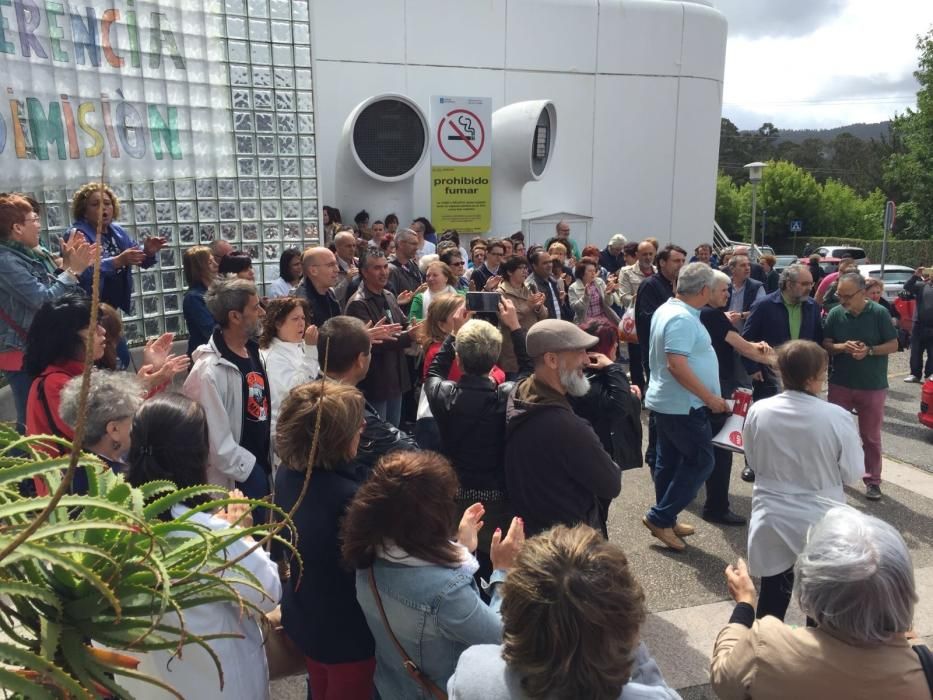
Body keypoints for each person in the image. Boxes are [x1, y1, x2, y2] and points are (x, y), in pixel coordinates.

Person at [124, 393, 281, 700]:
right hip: (219, 686)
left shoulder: (111, 525)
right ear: (197, 457)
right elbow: (268, 593)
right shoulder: (211, 535)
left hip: (148, 688)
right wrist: (243, 536)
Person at [342, 451, 525, 699]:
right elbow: (502, 637)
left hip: (390, 687)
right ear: (431, 519)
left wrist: (460, 548)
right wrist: (503, 571)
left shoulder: (367, 554)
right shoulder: (447, 593)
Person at [711, 507, 928, 700]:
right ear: (904, 590)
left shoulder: (767, 646)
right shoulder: (923, 672)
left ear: (810, 586)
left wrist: (745, 604)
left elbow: (723, 678)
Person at [448, 524, 679, 700]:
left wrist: (501, 577)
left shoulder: (472, 672)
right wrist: (626, 631)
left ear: (515, 615)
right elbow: (657, 688)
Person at [741, 340, 863, 621]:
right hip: (820, 514)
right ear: (812, 378)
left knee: (772, 594)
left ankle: (766, 652)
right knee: (819, 598)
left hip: (771, 511)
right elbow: (853, 472)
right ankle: (811, 656)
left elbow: (753, 460)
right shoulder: (836, 417)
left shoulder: (760, 410)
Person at [273, 381, 375, 699]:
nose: (364, 425)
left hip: (306, 619)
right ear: (338, 439)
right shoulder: (352, 500)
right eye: (355, 422)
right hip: (347, 636)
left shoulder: (288, 476)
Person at [425, 300, 529, 576]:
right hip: (497, 494)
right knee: (498, 561)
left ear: (458, 359)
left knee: (460, 562)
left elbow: (434, 372)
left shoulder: (444, 395)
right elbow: (530, 372)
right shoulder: (507, 395)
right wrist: (515, 327)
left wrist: (453, 335)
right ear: (495, 359)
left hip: (455, 494)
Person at [505, 320, 622, 536]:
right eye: (579, 352)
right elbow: (611, 483)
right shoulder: (567, 427)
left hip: (537, 532)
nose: (587, 360)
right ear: (551, 359)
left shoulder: (519, 391)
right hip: (567, 545)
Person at [642, 263, 728, 552]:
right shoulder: (681, 317)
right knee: (702, 461)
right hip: (683, 405)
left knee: (670, 461)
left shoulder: (672, 310)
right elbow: (677, 365)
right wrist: (710, 398)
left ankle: (666, 516)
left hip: (672, 402)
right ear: (704, 290)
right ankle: (661, 517)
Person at [0, 194, 94, 431]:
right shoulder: (6, 261)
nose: (39, 224)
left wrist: (66, 263)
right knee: (30, 422)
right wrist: (72, 272)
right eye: (34, 219)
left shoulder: (31, 253)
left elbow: (54, 291)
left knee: (49, 415)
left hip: (38, 346)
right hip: (20, 352)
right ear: (17, 228)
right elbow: (43, 300)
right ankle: (30, 465)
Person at [183, 279, 272, 507]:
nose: (262, 312)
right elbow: (215, 443)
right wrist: (251, 471)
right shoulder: (208, 372)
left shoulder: (254, 352)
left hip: (259, 467)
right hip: (237, 482)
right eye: (255, 307)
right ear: (234, 316)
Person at [699, 270, 772, 526]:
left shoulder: (693, 312)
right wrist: (778, 358)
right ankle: (716, 507)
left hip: (704, 385)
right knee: (722, 448)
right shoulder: (712, 315)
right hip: (719, 386)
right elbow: (743, 347)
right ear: (706, 290)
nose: (728, 294)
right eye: (723, 290)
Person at [741, 264, 823, 481]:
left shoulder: (812, 307)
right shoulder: (765, 305)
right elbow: (747, 339)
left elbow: (817, 340)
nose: (810, 288)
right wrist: (752, 367)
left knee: (797, 421)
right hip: (769, 374)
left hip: (802, 375)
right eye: (804, 284)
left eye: (811, 284)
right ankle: (753, 463)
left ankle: (788, 463)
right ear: (788, 284)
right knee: (764, 421)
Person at [822, 272, 898, 501]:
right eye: (839, 295)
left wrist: (870, 351)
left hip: (872, 385)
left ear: (862, 292)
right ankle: (834, 475)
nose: (842, 300)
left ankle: (873, 480)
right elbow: (826, 343)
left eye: (847, 296)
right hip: (841, 383)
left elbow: (894, 344)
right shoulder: (836, 313)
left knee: (871, 436)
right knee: (835, 433)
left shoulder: (879, 313)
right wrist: (842, 346)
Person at [567, 322, 643, 538]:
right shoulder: (590, 379)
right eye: (615, 345)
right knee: (594, 514)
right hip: (595, 457)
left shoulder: (583, 374)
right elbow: (618, 408)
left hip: (593, 453)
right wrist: (614, 369)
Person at [316, 315, 418, 473]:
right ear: (360, 360)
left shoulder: (308, 395)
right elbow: (412, 452)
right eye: (369, 351)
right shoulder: (356, 417)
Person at [66, 183, 166, 314]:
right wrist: (117, 261)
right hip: (85, 308)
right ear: (84, 212)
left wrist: (147, 252)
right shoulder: (77, 234)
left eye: (107, 203)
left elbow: (135, 255)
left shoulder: (117, 230)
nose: (103, 208)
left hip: (110, 307)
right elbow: (81, 272)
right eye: (95, 204)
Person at [346, 249, 420, 427]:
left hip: (396, 379)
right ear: (364, 272)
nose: (384, 272)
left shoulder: (388, 295)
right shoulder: (358, 303)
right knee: (379, 436)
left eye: (386, 266)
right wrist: (409, 336)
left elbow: (402, 323)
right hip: (375, 383)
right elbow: (372, 342)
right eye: (377, 268)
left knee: (394, 432)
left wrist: (412, 327)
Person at [24, 293, 106, 446]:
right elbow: (103, 436)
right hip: (68, 470)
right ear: (66, 338)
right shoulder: (57, 383)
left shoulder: (77, 373)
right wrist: (144, 386)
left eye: (100, 323)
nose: (103, 331)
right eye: (92, 327)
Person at [634, 244, 687, 465]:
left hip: (676, 353)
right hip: (656, 354)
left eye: (683, 261)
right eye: (676, 261)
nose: (681, 265)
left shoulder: (678, 285)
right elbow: (646, 319)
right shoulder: (651, 285)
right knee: (659, 402)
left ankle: (669, 449)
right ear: (662, 262)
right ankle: (654, 453)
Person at [258, 297, 319, 464]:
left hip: (303, 428)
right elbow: (293, 393)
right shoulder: (272, 356)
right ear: (278, 323)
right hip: (285, 435)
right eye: (295, 319)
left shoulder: (297, 346)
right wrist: (312, 351)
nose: (301, 324)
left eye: (303, 318)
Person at [59, 370, 144, 476]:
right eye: (135, 416)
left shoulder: (67, 468)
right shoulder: (121, 481)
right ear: (114, 429)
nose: (140, 422)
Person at [414, 293, 466, 450]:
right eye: (459, 316)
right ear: (442, 325)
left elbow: (495, 370)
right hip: (435, 423)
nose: (467, 319)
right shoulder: (438, 351)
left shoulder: (454, 346)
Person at [498, 256, 548, 377]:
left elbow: (544, 316)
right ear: (509, 271)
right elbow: (505, 320)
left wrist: (539, 307)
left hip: (532, 347)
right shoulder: (501, 292)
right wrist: (528, 305)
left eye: (526, 268)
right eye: (521, 268)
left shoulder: (529, 288)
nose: (525, 271)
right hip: (512, 352)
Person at [183, 245, 220, 357]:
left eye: (214, 260)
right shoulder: (194, 298)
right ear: (198, 269)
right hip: (204, 357)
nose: (216, 265)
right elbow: (211, 332)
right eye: (210, 262)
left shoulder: (216, 290)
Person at [294, 246, 342, 326]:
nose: (337, 269)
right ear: (313, 270)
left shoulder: (329, 292)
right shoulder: (301, 303)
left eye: (336, 264)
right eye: (330, 265)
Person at [568, 257, 621, 327]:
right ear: (581, 273)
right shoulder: (573, 288)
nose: (593, 273)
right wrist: (585, 297)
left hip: (603, 319)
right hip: (585, 323)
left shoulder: (599, 282)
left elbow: (609, 303)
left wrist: (608, 294)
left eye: (594, 270)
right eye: (590, 271)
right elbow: (576, 308)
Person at [904, 266, 933, 382]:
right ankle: (915, 374)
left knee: (932, 353)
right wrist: (916, 275)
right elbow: (907, 287)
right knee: (916, 351)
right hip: (919, 324)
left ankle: (930, 374)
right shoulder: (922, 285)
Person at [386, 228, 425, 314]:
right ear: (400, 244)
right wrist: (415, 295)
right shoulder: (389, 269)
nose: (417, 248)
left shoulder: (412, 264)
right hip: (402, 321)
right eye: (413, 244)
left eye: (417, 244)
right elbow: (389, 302)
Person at [726, 254, 765, 332]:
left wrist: (741, 315)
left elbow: (762, 311)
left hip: (747, 334)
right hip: (724, 333)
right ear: (732, 269)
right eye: (743, 265)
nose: (747, 268)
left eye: (748, 265)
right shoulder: (724, 285)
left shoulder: (757, 287)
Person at [525, 249, 567, 321]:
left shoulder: (553, 281)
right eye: (545, 263)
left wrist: (560, 300)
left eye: (550, 262)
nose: (549, 265)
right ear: (534, 266)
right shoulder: (531, 285)